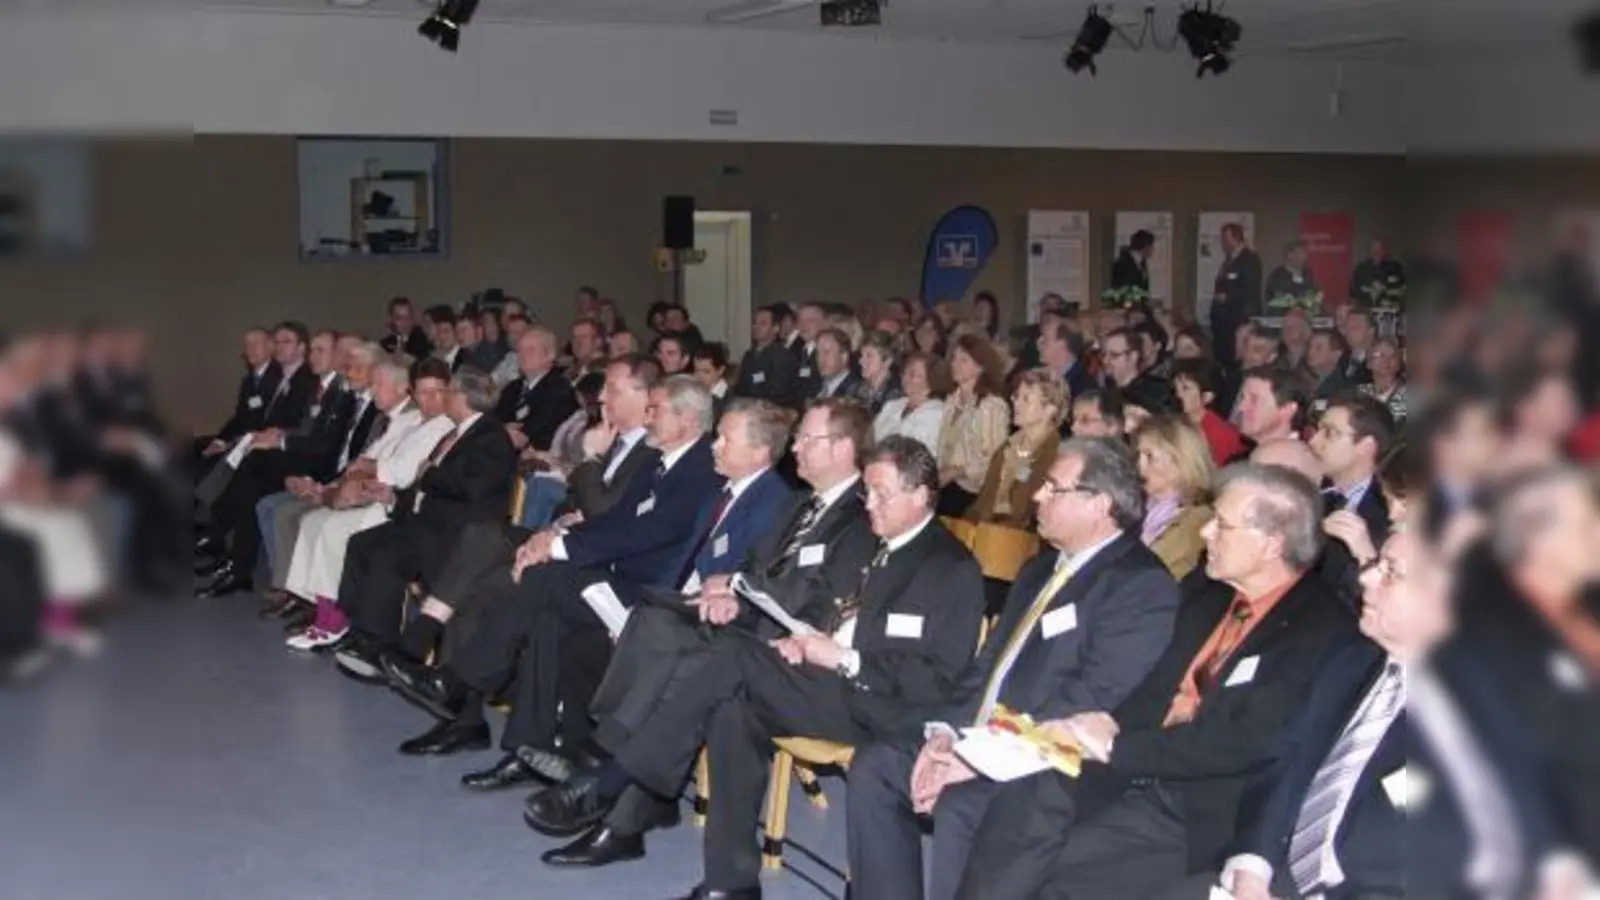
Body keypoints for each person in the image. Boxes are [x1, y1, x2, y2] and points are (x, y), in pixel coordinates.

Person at [590, 436, 987, 900]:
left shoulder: (951, 568)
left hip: (883, 706)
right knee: (733, 707)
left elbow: (938, 678)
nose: (870, 505)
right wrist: (806, 640)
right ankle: (730, 880)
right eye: (866, 493)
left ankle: (619, 777)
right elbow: (836, 611)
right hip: (828, 680)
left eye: (882, 494)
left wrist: (843, 657)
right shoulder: (876, 544)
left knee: (735, 657)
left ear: (921, 496)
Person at [952, 463, 1358, 900]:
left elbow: (1240, 741)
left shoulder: (1318, 630)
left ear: (1270, 544)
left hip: (1197, 804)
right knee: (1021, 807)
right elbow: (1151, 687)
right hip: (1134, 766)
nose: (1204, 535)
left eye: (1221, 525)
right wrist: (1096, 726)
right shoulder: (1208, 592)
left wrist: (1116, 746)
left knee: (1061, 866)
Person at [847, 437, 1181, 900]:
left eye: (1052, 487)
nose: (1037, 496)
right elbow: (987, 667)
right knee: (878, 765)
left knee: (963, 805)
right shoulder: (1041, 569)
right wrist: (946, 732)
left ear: (1099, 504)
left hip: (1049, 757)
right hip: (984, 736)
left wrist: (975, 755)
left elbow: (1088, 701)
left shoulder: (1139, 587)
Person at [965, 369, 1066, 529]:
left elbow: (1032, 514)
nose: (1016, 403)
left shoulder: (1057, 454)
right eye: (1016, 396)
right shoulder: (1007, 447)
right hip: (988, 533)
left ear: (1049, 410)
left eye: (1026, 399)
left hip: (1019, 540)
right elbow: (983, 502)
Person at [936, 335, 1010, 517]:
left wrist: (957, 470)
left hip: (972, 489)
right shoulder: (952, 400)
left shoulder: (991, 405)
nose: (955, 364)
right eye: (954, 358)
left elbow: (994, 457)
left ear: (981, 366)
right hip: (945, 482)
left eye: (964, 360)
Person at [1132, 415, 1214, 579]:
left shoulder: (1199, 521)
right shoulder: (1137, 505)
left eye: (1150, 457)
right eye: (1138, 456)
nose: (1139, 466)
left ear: (1181, 461)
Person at [1171, 358, 1246, 465]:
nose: (1178, 394)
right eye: (1175, 388)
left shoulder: (1221, 434)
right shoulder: (1174, 424)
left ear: (1207, 397)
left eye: (1185, 388)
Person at [1210, 222, 1263, 368]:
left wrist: (1228, 297)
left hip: (1238, 321)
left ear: (1235, 238)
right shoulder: (1228, 261)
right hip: (1223, 324)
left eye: (1224, 239)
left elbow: (1251, 289)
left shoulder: (1249, 259)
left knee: (1236, 363)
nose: (1222, 243)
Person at [874, 351, 948, 452]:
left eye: (913, 374)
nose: (906, 378)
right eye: (905, 372)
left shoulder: (937, 413)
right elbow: (873, 438)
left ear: (931, 379)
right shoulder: (892, 406)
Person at [732, 304, 801, 408]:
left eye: (763, 323)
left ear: (775, 328)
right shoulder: (749, 355)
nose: (756, 327)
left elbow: (778, 391)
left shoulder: (783, 356)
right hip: (747, 408)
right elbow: (741, 386)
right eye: (754, 323)